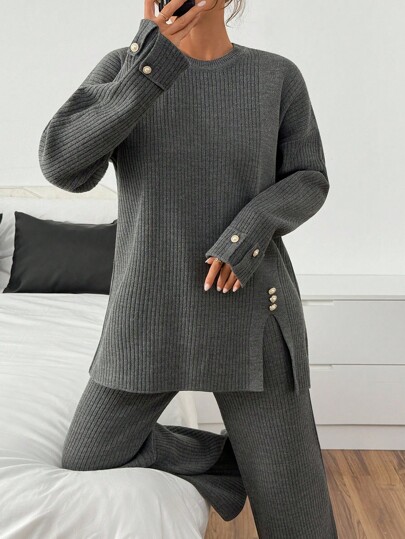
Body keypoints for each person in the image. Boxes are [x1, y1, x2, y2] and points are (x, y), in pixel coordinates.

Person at [38, 0, 339, 536]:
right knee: (89, 454)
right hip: (147, 316)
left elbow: (308, 177)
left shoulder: (275, 76)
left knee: (295, 518)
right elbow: (64, 166)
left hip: (251, 312)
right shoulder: (127, 67)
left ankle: (272, 464)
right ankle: (240, 461)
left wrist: (249, 231)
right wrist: (149, 62)